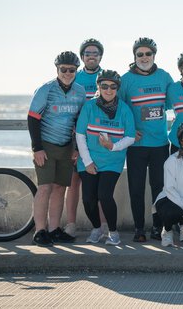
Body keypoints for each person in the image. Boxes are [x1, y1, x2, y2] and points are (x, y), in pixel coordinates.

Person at [28, 51, 86, 246]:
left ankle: (54, 229)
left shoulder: (79, 91)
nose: (68, 73)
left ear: (76, 70)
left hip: (66, 147)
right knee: (45, 188)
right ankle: (40, 231)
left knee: (61, 188)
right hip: (45, 145)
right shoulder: (45, 89)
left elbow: (80, 121)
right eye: (64, 69)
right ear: (57, 69)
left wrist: (77, 148)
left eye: (72, 70)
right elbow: (33, 118)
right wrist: (37, 148)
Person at [119, 37, 174, 242]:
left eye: (148, 54)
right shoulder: (126, 79)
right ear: (134, 56)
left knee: (159, 188)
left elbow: (171, 103)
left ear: (154, 55)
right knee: (136, 188)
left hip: (160, 143)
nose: (144, 57)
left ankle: (157, 226)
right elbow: (120, 110)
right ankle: (139, 228)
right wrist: (129, 130)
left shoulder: (164, 77)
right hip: (136, 146)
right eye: (140, 54)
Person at [76, 70, 135, 246]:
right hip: (89, 160)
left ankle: (113, 231)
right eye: (104, 86)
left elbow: (130, 137)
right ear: (99, 87)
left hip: (112, 161)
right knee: (88, 198)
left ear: (117, 88)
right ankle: (96, 228)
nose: (108, 90)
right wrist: (87, 162)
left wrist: (113, 146)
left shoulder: (124, 109)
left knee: (104, 194)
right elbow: (80, 135)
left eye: (112, 87)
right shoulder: (89, 106)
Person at [64, 38, 106, 238]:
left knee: (99, 184)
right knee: (73, 183)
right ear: (82, 57)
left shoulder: (106, 77)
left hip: (99, 138)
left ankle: (103, 225)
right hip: (75, 136)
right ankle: (71, 225)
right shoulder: (74, 77)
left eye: (95, 53)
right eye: (87, 53)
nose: (91, 56)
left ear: (100, 57)